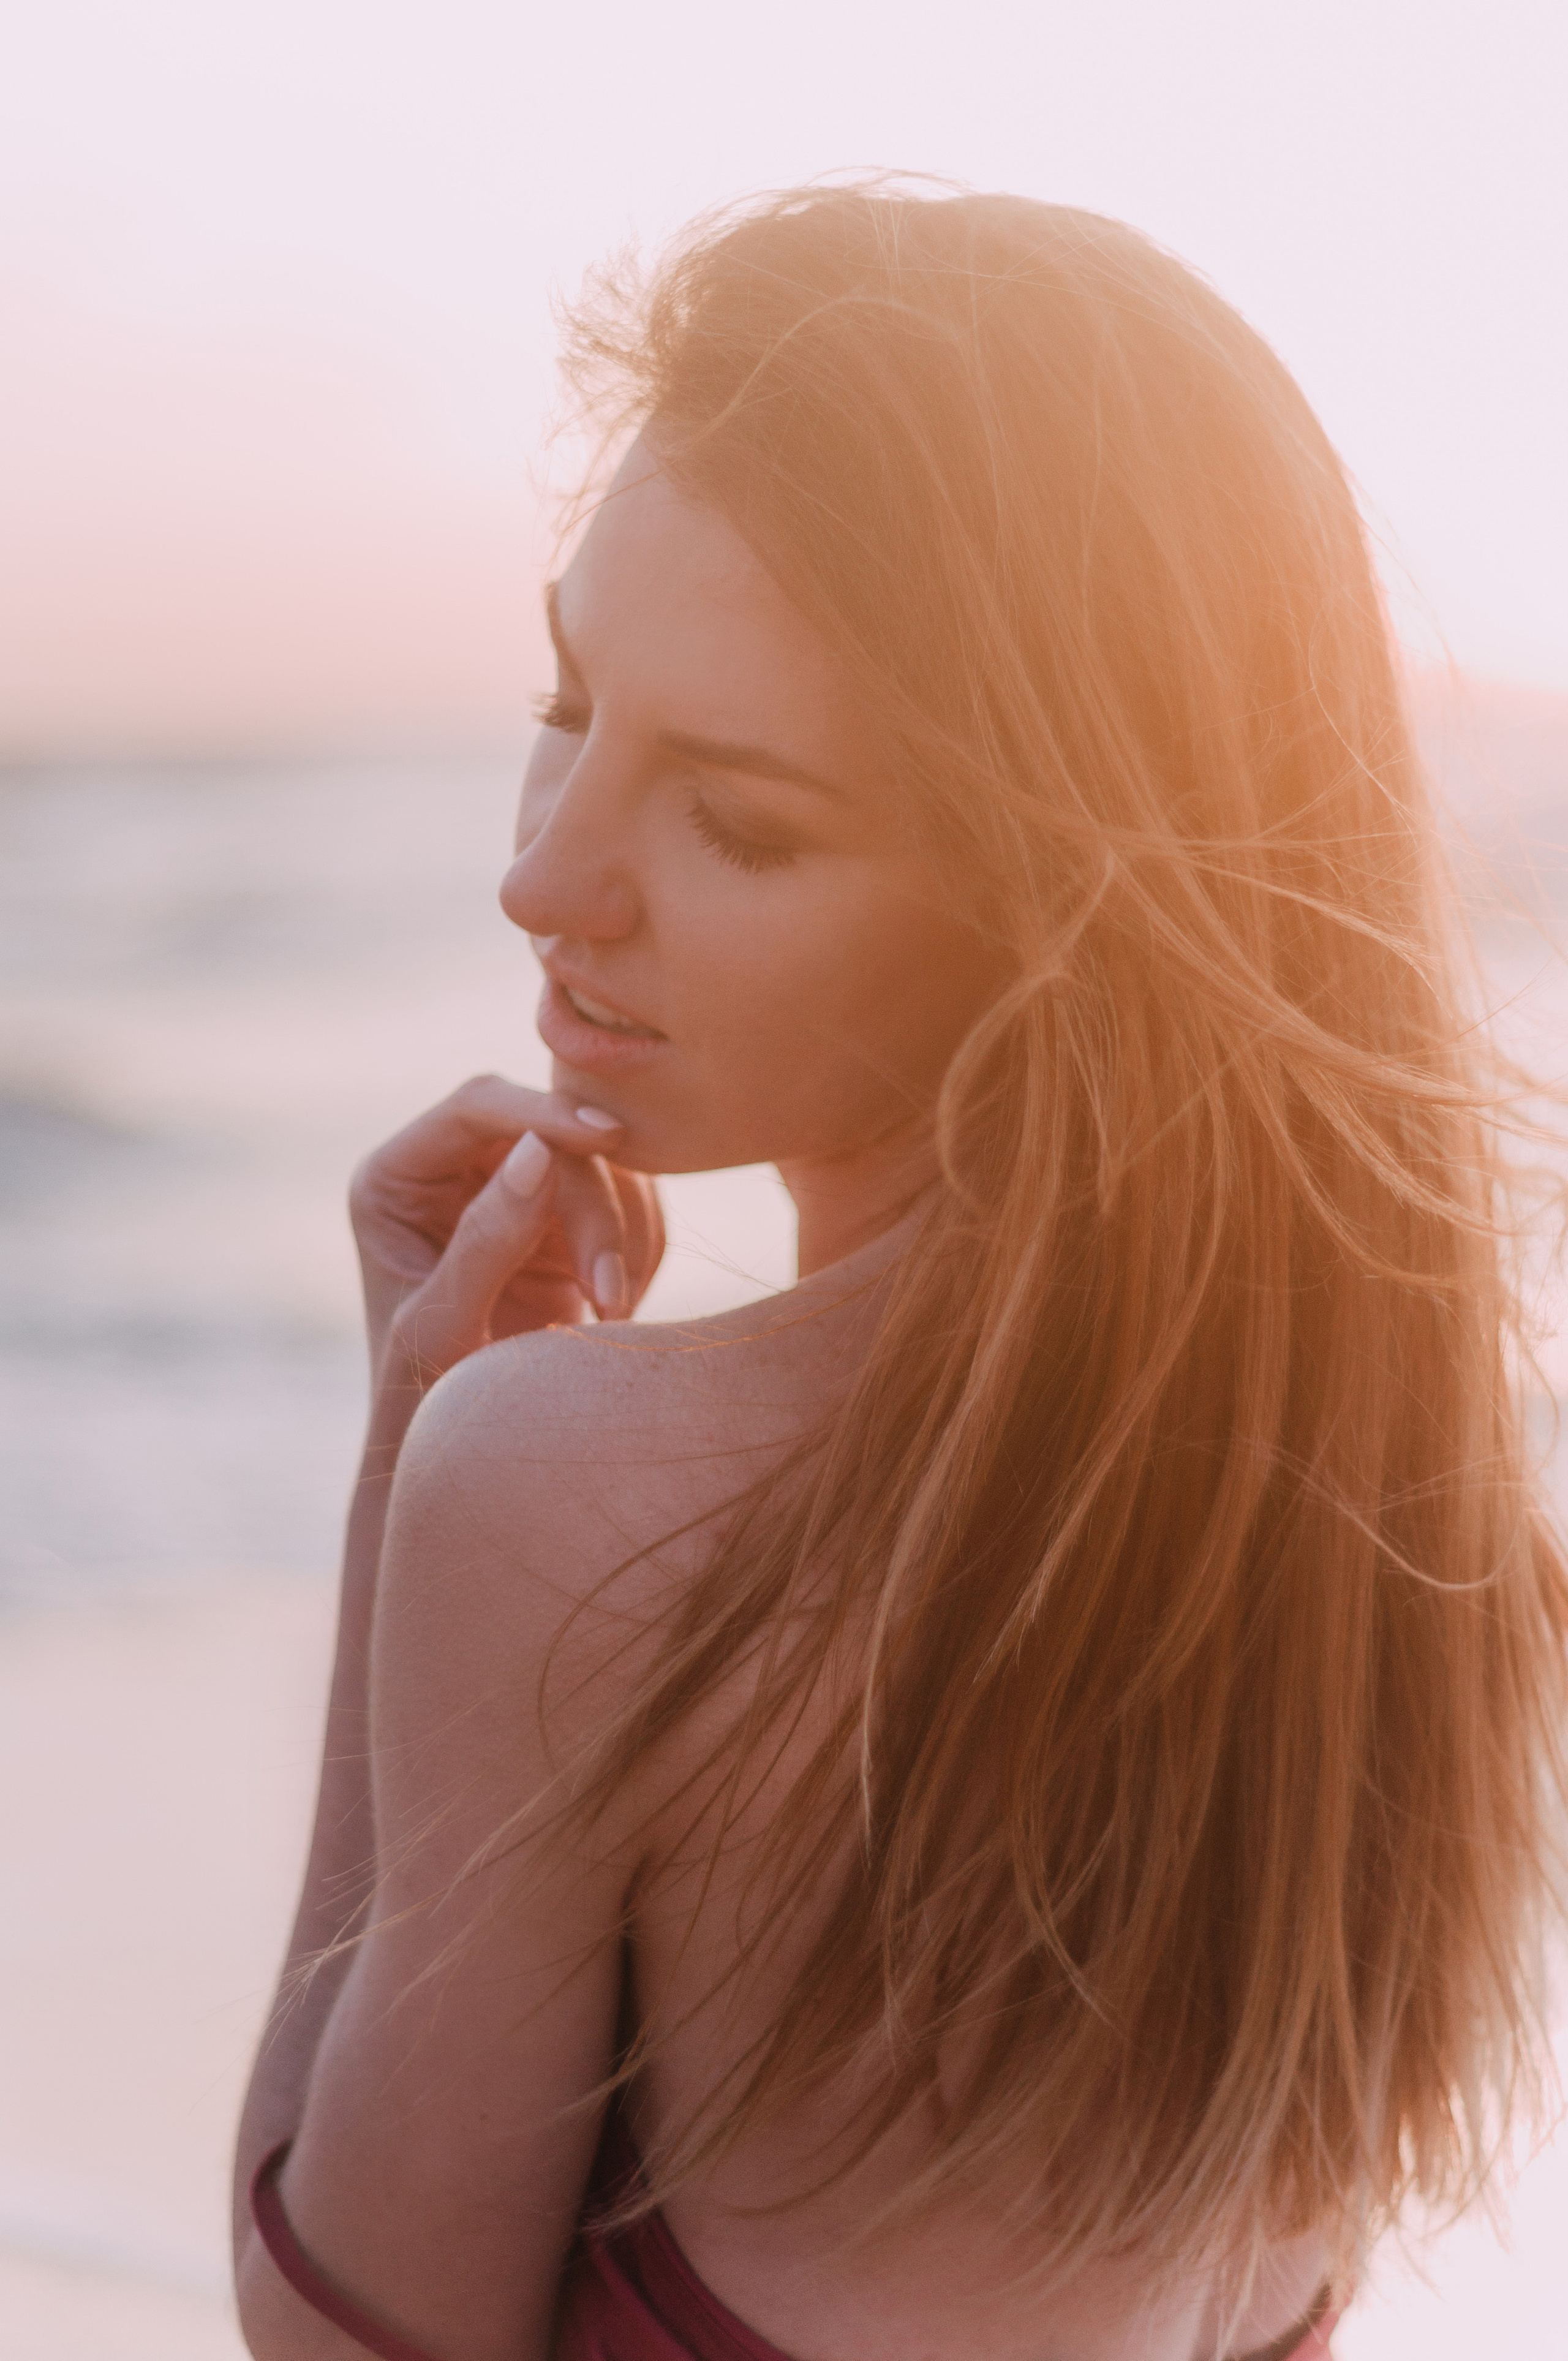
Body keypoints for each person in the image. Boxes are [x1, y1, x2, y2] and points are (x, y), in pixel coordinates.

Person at [232, 184, 1568, 2361]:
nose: (540, 872)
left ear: (1065, 907)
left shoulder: (581, 1503)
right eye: (570, 704)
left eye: (737, 818)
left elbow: (335, 2341)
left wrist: (414, 1460)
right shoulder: (1426, 1571)